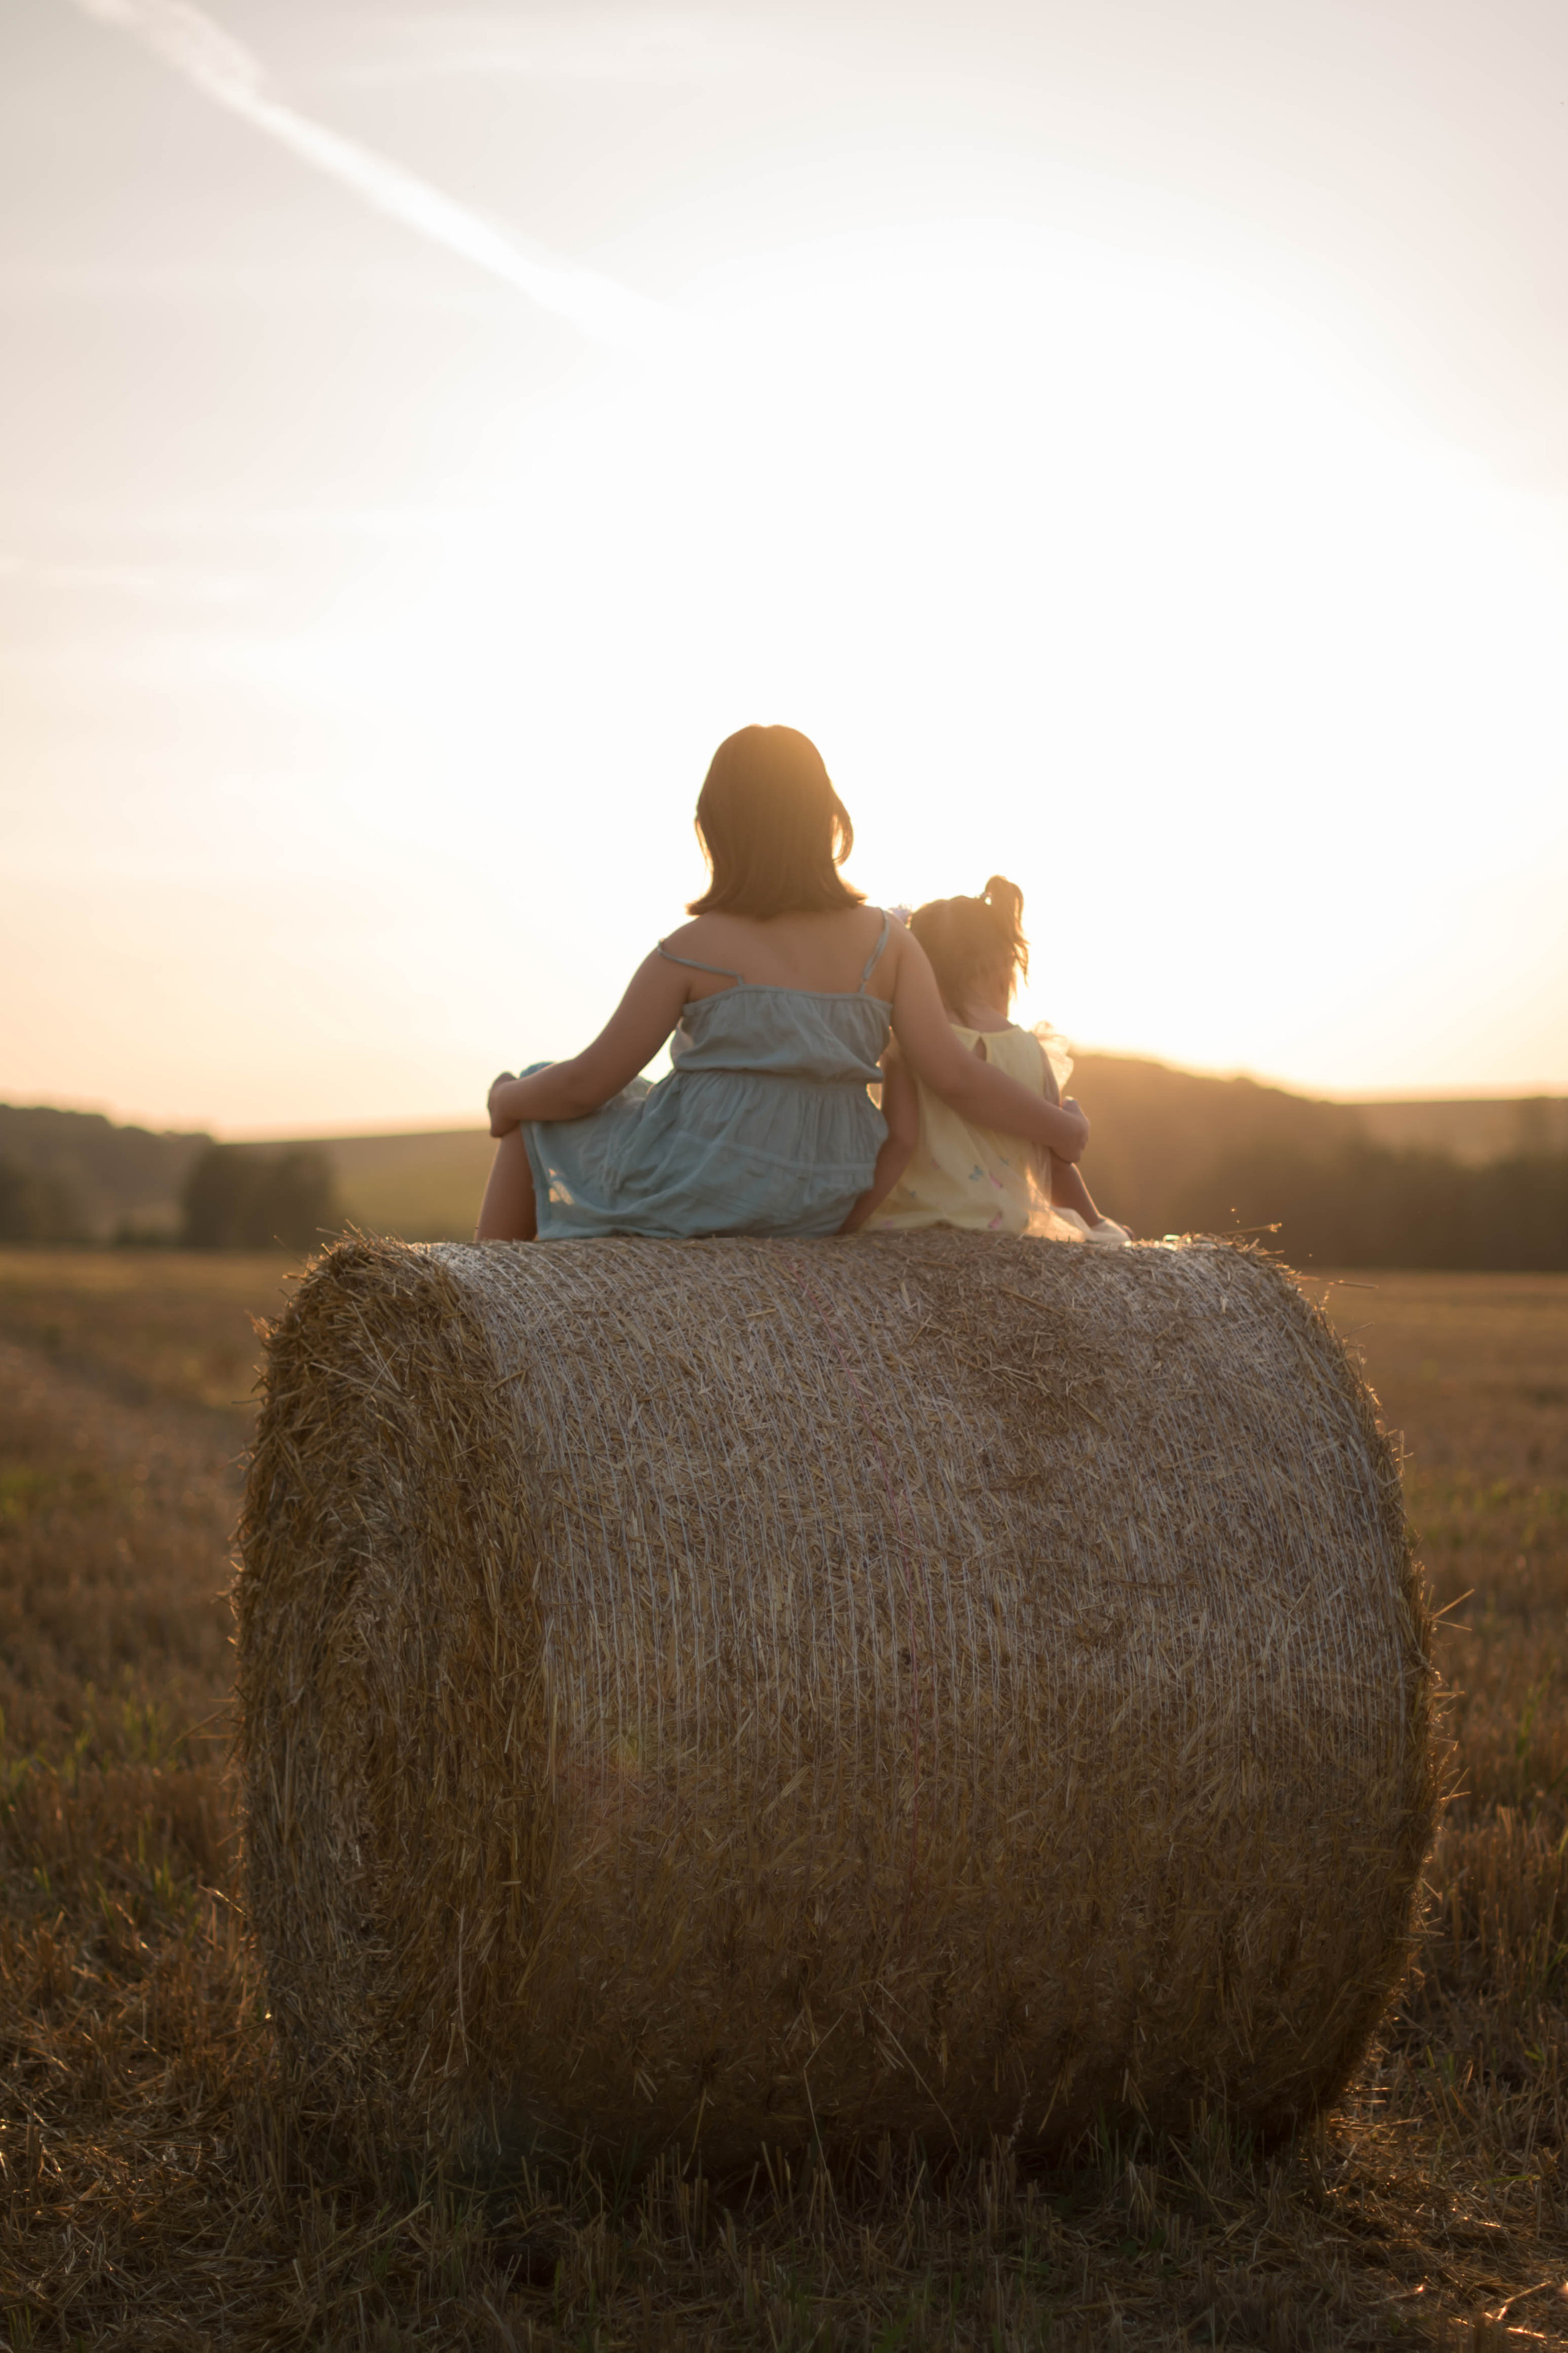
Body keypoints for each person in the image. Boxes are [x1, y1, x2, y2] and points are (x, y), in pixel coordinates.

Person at [477, 730, 1091, 1241]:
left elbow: (587, 1083)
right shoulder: (886, 941)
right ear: (827, 821)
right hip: (829, 1192)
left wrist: (508, 1100)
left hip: (707, 1180)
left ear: (714, 830)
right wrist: (1058, 1128)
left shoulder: (688, 949)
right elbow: (956, 1075)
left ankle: (487, 1314)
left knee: (538, 1098)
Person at [851, 876, 1131, 1243]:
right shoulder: (1034, 1051)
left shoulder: (912, 1044)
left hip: (911, 1225)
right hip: (1002, 1231)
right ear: (1003, 963)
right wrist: (1098, 1227)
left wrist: (849, 1221)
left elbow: (901, 1141)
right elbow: (1057, 1165)